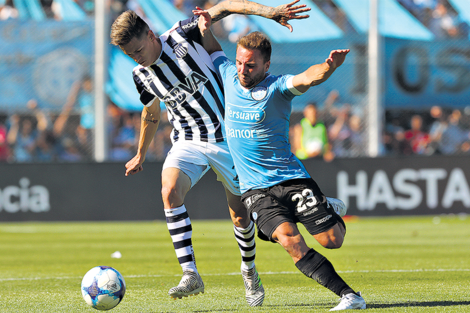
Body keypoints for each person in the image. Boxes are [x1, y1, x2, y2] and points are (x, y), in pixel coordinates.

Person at [109, 0, 311, 306]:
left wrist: (271, 13)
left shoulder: (182, 35)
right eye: (129, 55)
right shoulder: (142, 75)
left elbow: (225, 6)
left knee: (240, 216)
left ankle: (249, 269)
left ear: (150, 35)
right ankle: (190, 272)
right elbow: (151, 113)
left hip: (228, 138)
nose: (136, 58)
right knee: (169, 191)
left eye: (137, 50)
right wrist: (140, 153)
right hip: (188, 140)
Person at [196, 10, 365, 310]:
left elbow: (307, 77)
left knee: (332, 240)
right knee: (290, 241)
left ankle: (327, 207)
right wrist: (206, 28)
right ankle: (350, 297)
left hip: (290, 178)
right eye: (239, 63)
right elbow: (213, 49)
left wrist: (328, 66)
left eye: (250, 65)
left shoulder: (277, 87)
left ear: (266, 65)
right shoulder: (227, 73)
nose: (242, 70)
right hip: (255, 190)